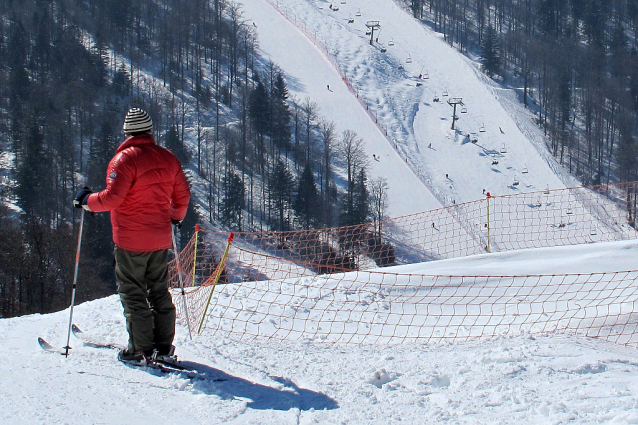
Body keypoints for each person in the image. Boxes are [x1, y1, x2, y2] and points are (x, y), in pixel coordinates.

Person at [74, 108, 191, 363]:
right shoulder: (168, 158)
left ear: (127, 132)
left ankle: (139, 350)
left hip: (130, 240)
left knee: (133, 292)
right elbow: (182, 196)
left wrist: (86, 201)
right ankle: (163, 347)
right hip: (160, 239)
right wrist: (176, 216)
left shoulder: (124, 160)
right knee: (159, 290)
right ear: (149, 130)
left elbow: (112, 198)